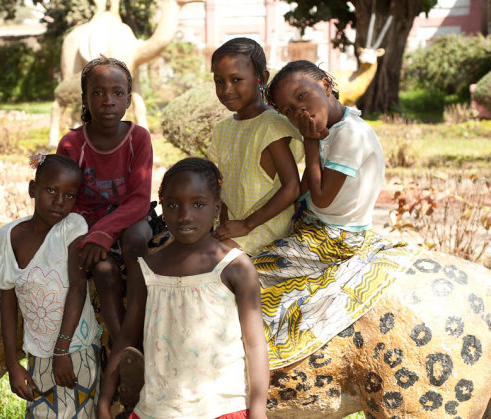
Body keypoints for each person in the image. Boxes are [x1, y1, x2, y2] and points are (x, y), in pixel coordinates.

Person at [253, 60, 408, 369]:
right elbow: (302, 189)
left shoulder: (350, 135)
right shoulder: (332, 127)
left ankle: (259, 353)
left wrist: (311, 142)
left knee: (251, 272)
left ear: (325, 85)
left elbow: (322, 199)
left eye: (301, 97)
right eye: (288, 110)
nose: (299, 112)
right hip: (313, 226)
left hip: (336, 237)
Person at [97, 157, 269, 419]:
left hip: (220, 409)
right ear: (162, 207)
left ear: (216, 208)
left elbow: (255, 345)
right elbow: (127, 336)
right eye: (174, 204)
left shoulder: (235, 267)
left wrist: (257, 411)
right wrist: (105, 399)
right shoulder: (148, 269)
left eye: (198, 204)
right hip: (158, 410)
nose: (185, 215)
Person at [0, 153, 102, 418]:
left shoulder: (72, 227)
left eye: (69, 196)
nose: (60, 202)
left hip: (76, 349)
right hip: (38, 352)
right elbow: (8, 302)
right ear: (32, 189)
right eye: (51, 190)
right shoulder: (9, 235)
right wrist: (13, 364)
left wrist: (63, 350)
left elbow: (77, 287)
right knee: (41, 414)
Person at [56, 56, 153, 343]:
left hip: (129, 219)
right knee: (102, 268)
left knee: (137, 237)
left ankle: (138, 319)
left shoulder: (138, 138)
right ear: (85, 99)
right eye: (98, 92)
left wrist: (104, 232)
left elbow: (139, 200)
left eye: (117, 93)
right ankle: (124, 343)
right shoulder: (72, 144)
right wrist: (89, 234)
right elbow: (65, 200)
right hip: (86, 222)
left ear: (128, 101)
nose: (108, 100)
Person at [209, 37, 304, 256]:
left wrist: (246, 225)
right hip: (231, 225)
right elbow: (222, 183)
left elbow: (292, 187)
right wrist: (224, 223)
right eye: (219, 81)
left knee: (207, 261)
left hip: (262, 226)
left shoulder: (272, 125)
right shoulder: (223, 128)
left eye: (236, 79)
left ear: (261, 78)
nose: (226, 89)